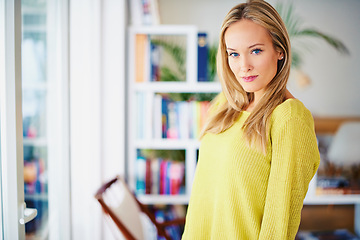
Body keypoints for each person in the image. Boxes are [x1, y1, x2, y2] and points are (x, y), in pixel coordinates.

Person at [182, 0, 320, 239]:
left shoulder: (289, 117)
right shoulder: (223, 106)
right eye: (234, 54)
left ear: (280, 51)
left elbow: (280, 221)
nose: (243, 66)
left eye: (255, 50)